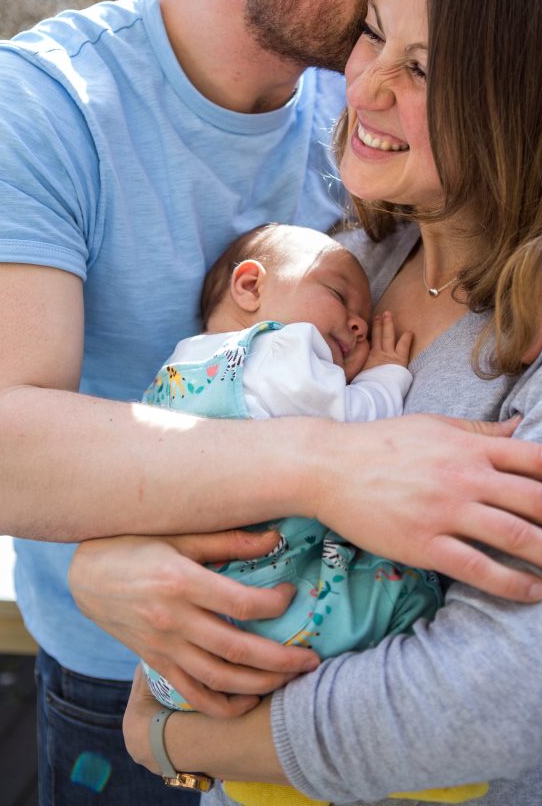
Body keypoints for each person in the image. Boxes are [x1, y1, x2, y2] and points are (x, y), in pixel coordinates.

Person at [0, 0, 542, 803]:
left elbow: (516, 99)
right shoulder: (38, 109)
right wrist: (117, 571)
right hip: (118, 674)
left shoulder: (364, 124)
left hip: (313, 719)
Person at [122, 0, 542, 806]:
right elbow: (209, 495)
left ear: (527, 102)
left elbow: (486, 703)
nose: (364, 83)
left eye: (425, 68)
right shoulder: (348, 258)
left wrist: (180, 735)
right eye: (373, 34)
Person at [141, 221, 487, 804]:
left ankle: (258, 782)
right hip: (275, 600)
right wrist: (384, 373)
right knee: (398, 590)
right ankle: (431, 770)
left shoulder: (175, 372)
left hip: (187, 650)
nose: (358, 319)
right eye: (338, 294)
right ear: (250, 287)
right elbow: (354, 425)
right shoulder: (278, 348)